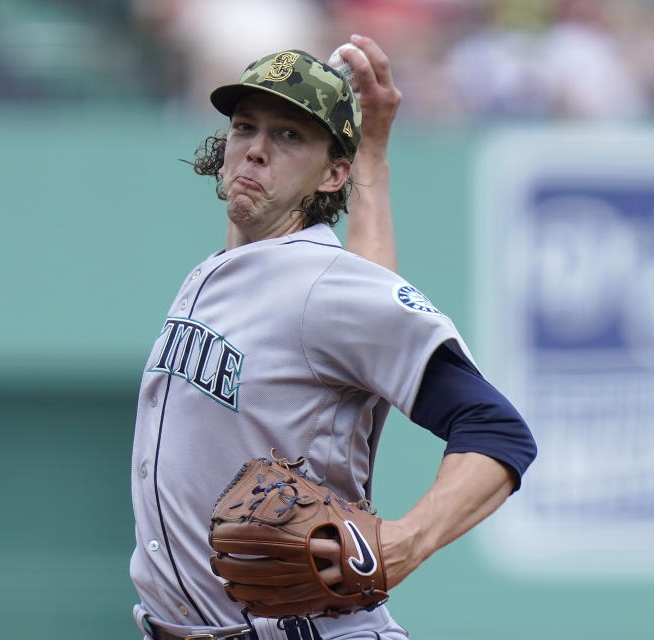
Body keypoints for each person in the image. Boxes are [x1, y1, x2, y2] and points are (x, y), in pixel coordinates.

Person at [130, 36, 537, 640]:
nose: (257, 151)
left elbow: (496, 428)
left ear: (333, 173)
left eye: (290, 136)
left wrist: (404, 542)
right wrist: (367, 149)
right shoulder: (235, 273)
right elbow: (354, 292)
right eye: (245, 127)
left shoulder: (320, 284)